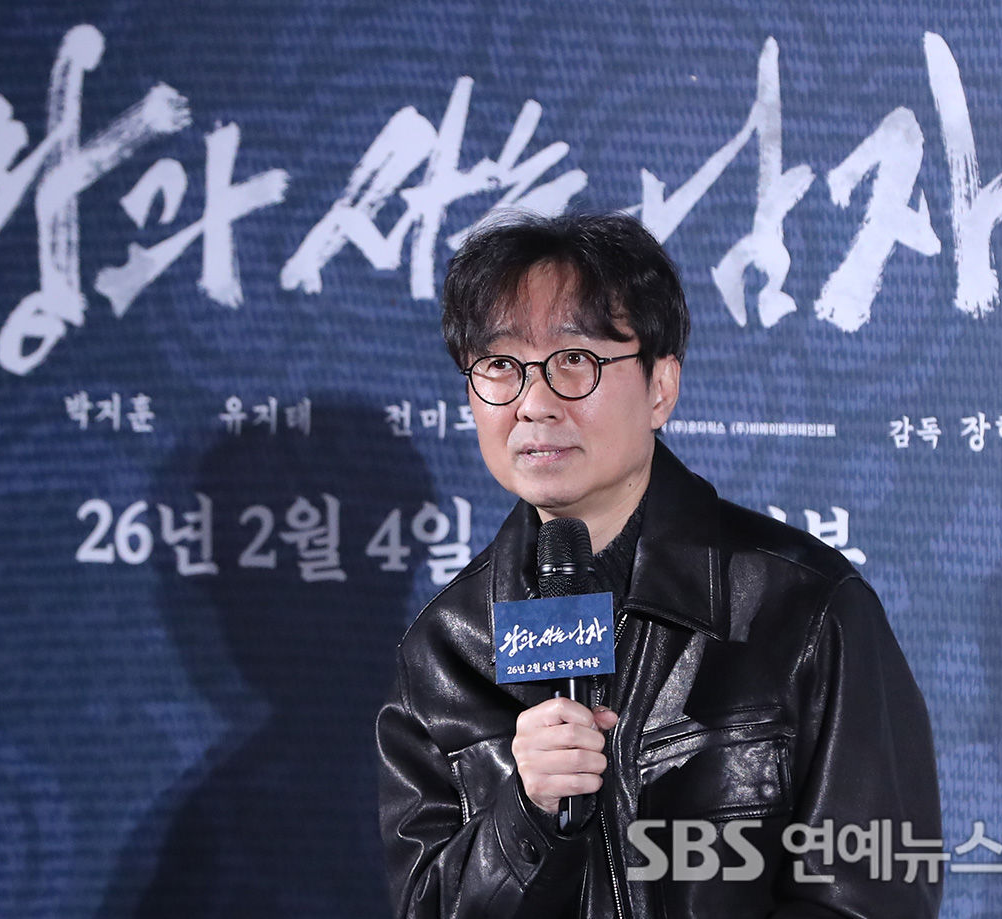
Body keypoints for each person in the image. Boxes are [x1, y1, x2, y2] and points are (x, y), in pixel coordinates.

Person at [376, 213, 942, 918]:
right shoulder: (446, 649)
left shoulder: (804, 607)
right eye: (500, 366)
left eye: (574, 360)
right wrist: (528, 812)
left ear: (660, 386)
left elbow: (873, 893)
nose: (533, 403)